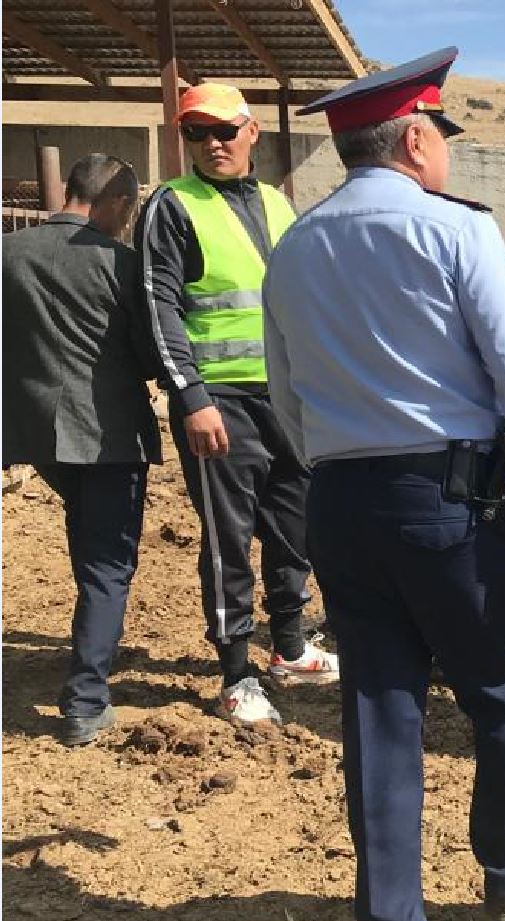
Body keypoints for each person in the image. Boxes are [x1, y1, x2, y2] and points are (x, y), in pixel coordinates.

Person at [266, 48, 505, 921]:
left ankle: (389, 907)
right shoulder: (456, 229)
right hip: (448, 505)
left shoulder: (294, 246)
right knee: (502, 682)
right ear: (416, 139)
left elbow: (283, 389)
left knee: (379, 708)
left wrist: (338, 469)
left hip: (339, 505)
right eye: (442, 135)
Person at [136, 81, 336, 726]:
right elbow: (158, 305)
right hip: (219, 402)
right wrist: (190, 398)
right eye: (196, 133)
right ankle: (234, 673)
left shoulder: (279, 204)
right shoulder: (173, 204)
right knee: (228, 539)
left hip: (286, 396)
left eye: (223, 130)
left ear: (252, 132)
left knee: (292, 525)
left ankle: (289, 645)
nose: (212, 143)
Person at [3, 154, 160, 746]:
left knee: (87, 545)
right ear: (116, 203)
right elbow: (152, 356)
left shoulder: (7, 255)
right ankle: (86, 700)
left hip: (35, 437)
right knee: (107, 568)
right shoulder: (120, 265)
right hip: (108, 438)